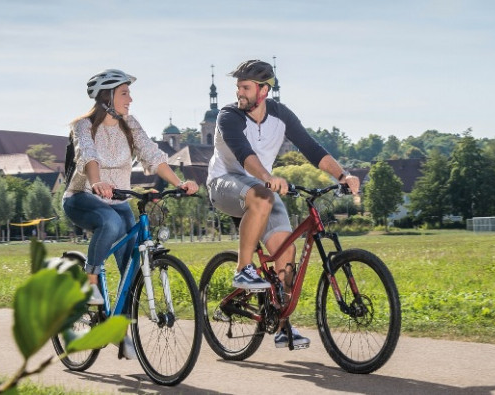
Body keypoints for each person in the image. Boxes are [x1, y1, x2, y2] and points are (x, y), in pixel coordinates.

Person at [206, 59, 360, 349]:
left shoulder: (280, 115)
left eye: (246, 87)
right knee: (263, 196)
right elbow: (243, 154)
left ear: (264, 90)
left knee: (285, 252)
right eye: (238, 86)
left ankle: (281, 327)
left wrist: (343, 174)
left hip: (261, 187)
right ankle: (243, 268)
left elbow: (312, 148)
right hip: (224, 183)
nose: (240, 92)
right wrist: (267, 176)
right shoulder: (229, 115)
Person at [63, 69, 198, 306]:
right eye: (124, 93)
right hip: (82, 198)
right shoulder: (83, 126)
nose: (130, 99)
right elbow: (88, 155)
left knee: (131, 270)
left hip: (118, 200)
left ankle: (124, 334)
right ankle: (90, 281)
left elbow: (152, 155)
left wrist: (179, 183)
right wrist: (96, 182)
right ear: (107, 97)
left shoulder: (130, 124)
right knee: (110, 223)